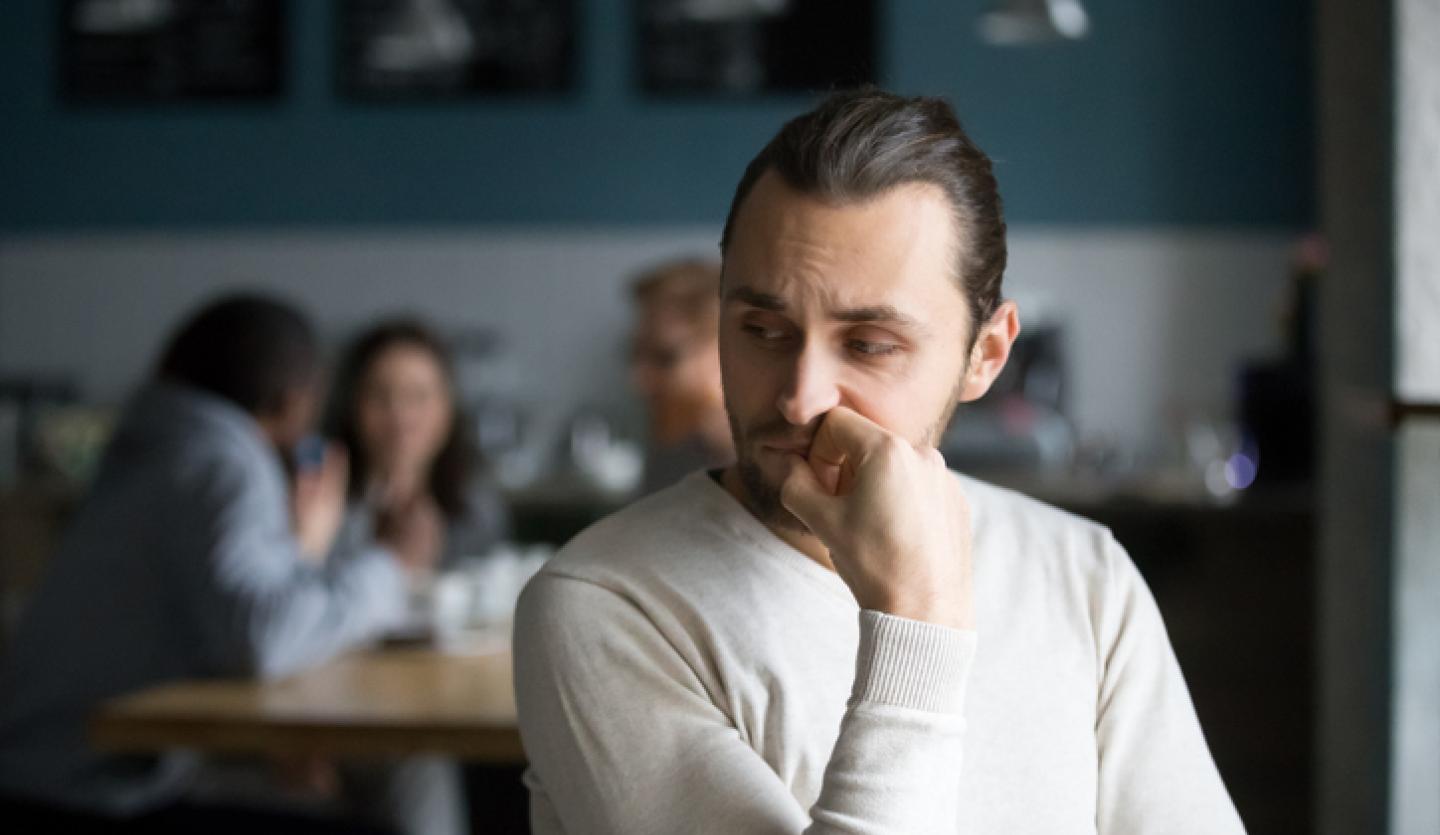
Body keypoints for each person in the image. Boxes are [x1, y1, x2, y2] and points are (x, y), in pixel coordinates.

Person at [514, 89, 1246, 833]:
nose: (800, 397)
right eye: (764, 330)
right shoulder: (601, 603)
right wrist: (916, 623)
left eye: (868, 345)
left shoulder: (1086, 577)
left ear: (985, 354)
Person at [0, 295, 441, 832]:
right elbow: (260, 637)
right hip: (91, 792)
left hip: (43, 772)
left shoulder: (162, 446)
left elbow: (236, 624)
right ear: (293, 400)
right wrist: (390, 563)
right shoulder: (222, 461)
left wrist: (301, 550)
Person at [326, 319, 510, 568]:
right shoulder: (323, 502)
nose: (400, 416)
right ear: (353, 406)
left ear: (448, 408)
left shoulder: (477, 502)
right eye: (380, 396)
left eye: (418, 396)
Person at [627, 258, 735, 492]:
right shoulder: (672, 459)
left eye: (665, 358)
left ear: (729, 353)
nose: (639, 382)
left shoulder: (781, 476)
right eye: (635, 355)